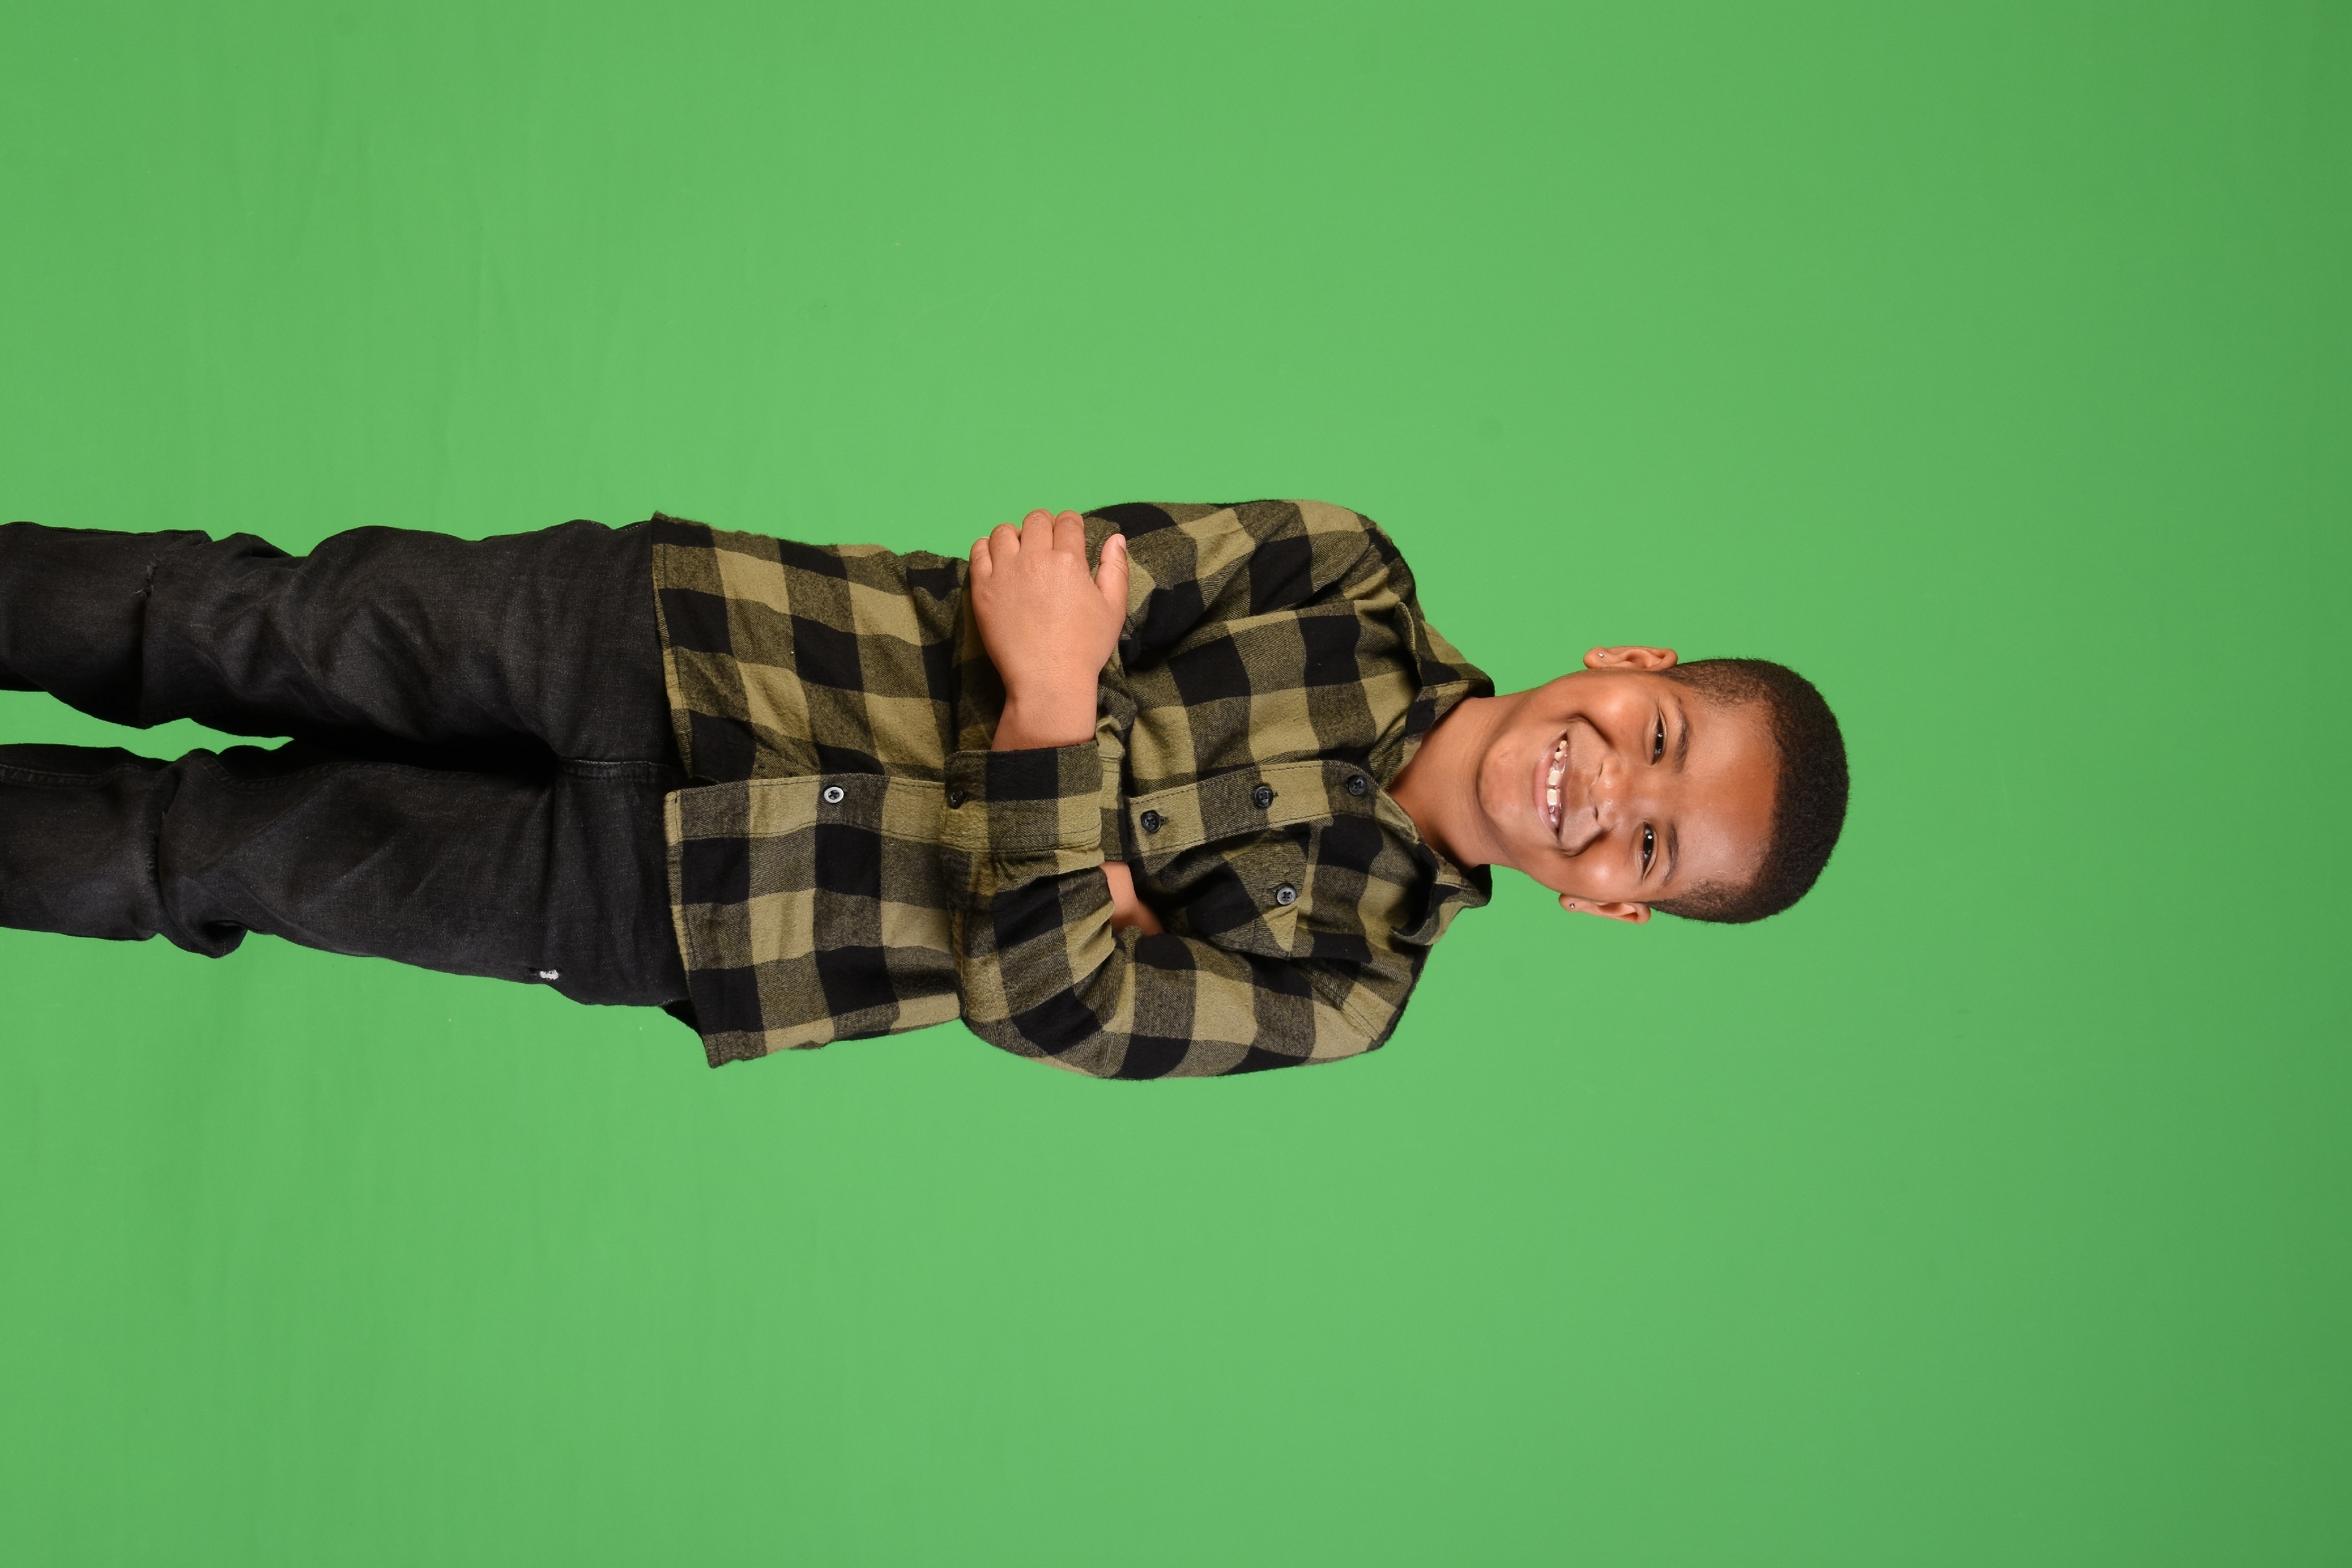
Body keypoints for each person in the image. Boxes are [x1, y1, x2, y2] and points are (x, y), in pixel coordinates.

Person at [0, 501, 1847, 1078]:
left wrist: (1059, 708)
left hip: (694, 915)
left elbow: (1047, 1003)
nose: (1609, 791)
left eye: (1650, 846)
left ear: (1612, 903)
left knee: (206, 853)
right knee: (231, 618)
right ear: (1630, 658)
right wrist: (1073, 828)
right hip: (678, 632)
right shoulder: (1345, 572)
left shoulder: (1349, 982)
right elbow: (1050, 580)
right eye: (1660, 734)